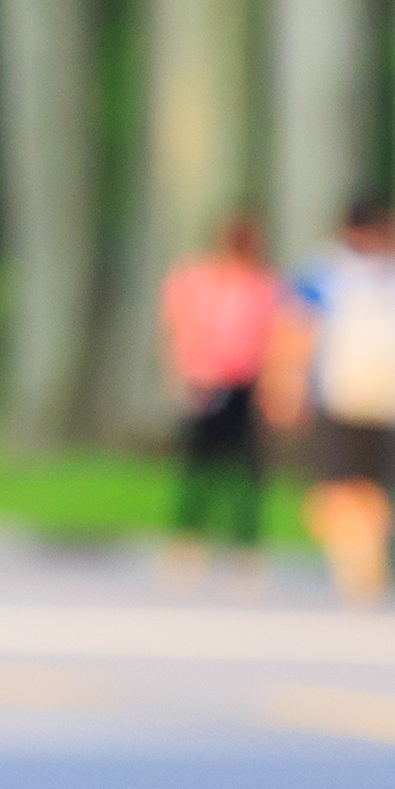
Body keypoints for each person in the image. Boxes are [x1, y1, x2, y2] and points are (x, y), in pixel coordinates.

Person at [272, 199, 395, 605]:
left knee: (360, 488)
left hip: (376, 399)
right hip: (371, 397)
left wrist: (286, 386)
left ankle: (362, 556)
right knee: (355, 487)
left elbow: (295, 328)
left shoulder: (342, 273)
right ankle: (364, 555)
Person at [157, 208, 282, 550]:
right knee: (198, 463)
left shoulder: (263, 285)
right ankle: (187, 535)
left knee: (247, 468)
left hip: (247, 383)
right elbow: (177, 328)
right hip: (205, 381)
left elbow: (274, 338)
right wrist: (179, 375)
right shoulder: (196, 279)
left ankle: (244, 541)